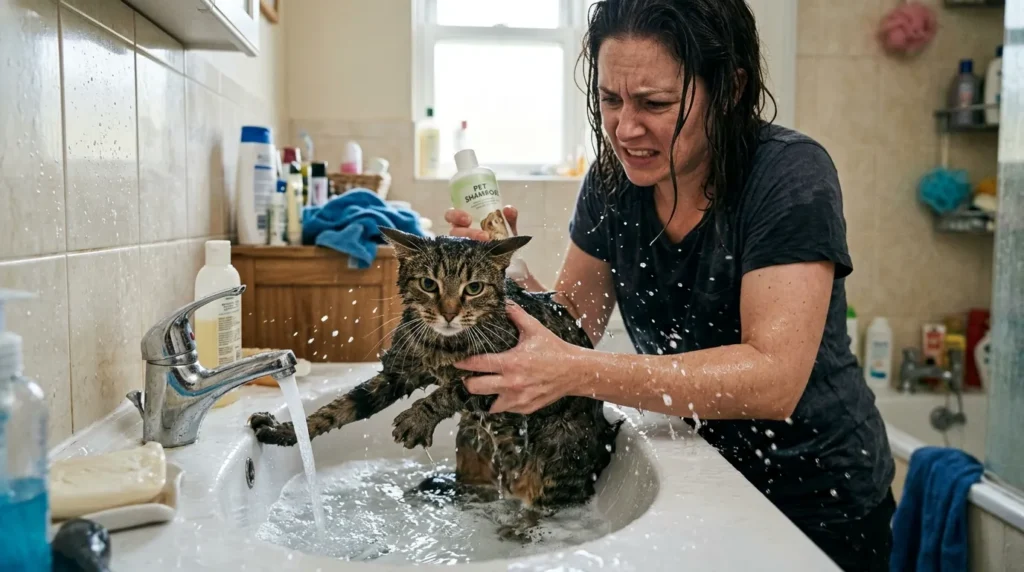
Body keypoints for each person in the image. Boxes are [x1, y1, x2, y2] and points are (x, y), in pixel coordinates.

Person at [444, 1, 896, 570]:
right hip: (699, 473)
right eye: (611, 100)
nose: (626, 129)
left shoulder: (787, 175)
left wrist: (576, 373)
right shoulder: (613, 181)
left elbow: (773, 378)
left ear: (729, 89)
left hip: (818, 501)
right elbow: (568, 326)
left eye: (654, 104)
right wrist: (501, 277)